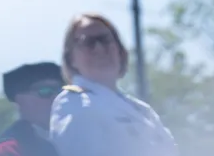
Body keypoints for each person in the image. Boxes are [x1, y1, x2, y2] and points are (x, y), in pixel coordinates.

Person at [49, 13, 177, 156]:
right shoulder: (74, 104)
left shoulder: (141, 109)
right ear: (71, 59)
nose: (99, 48)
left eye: (105, 40)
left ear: (120, 50)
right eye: (87, 42)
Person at [0, 62, 63, 156]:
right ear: (20, 100)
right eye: (45, 91)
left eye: (60, 91)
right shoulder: (7, 150)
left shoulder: (71, 137)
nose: (56, 98)